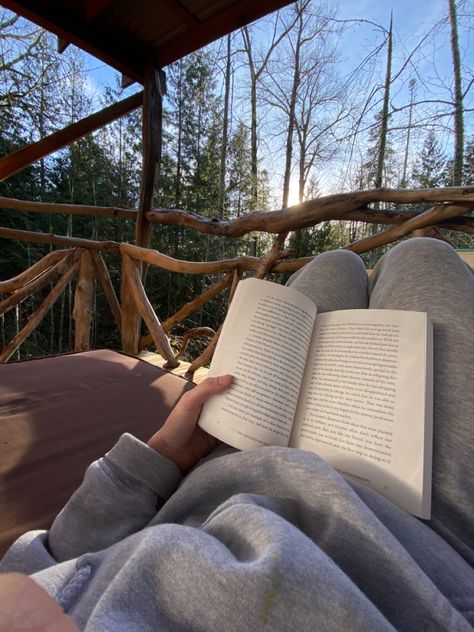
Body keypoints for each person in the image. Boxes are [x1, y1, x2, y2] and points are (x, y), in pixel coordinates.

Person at [1, 238, 473, 631]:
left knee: (334, 264)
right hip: (418, 533)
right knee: (422, 254)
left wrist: (160, 455)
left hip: (229, 466)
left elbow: (54, 559)